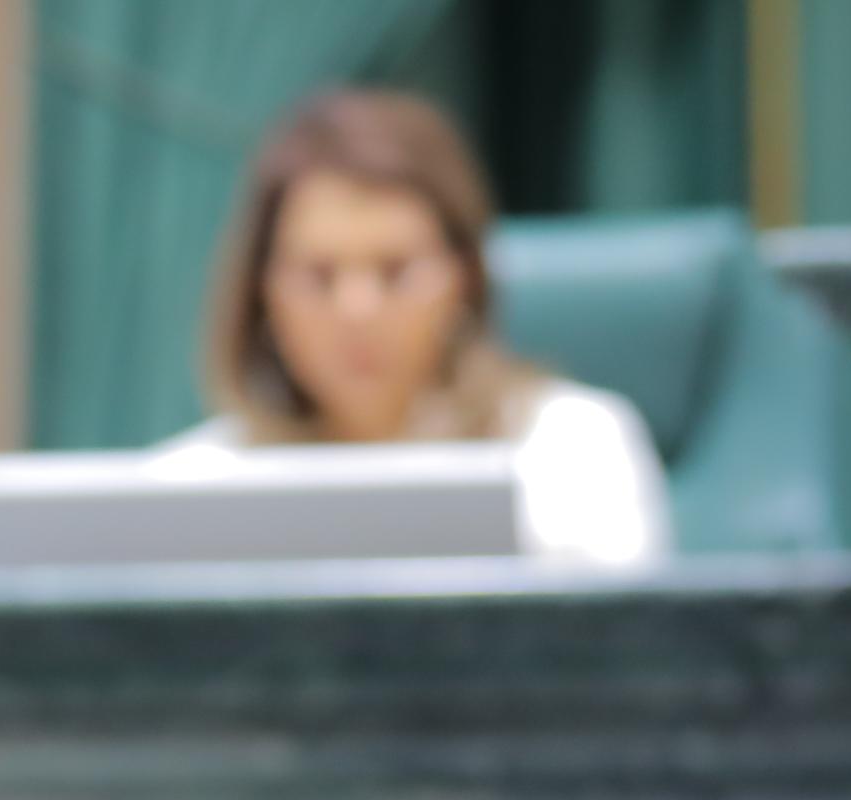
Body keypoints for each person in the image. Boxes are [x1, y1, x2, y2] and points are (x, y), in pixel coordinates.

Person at [171, 86, 672, 567]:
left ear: (464, 280)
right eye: (319, 276)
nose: (357, 310)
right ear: (261, 292)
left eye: (396, 271)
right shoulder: (190, 487)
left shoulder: (572, 452)